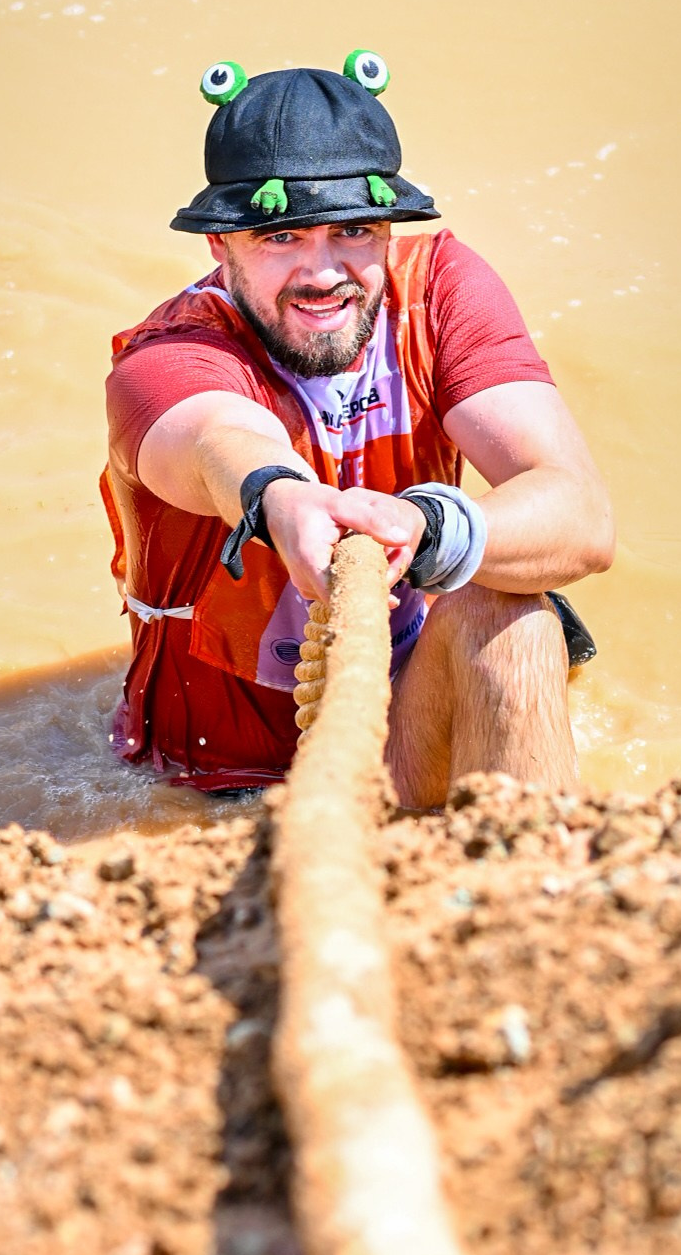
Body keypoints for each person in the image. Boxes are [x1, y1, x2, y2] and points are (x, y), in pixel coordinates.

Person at [100, 52, 614, 808]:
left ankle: (534, 870)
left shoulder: (441, 289)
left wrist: (425, 528)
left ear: (387, 231)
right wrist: (279, 500)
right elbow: (219, 443)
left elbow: (584, 519)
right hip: (227, 781)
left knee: (513, 615)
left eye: (353, 230)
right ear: (219, 244)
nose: (323, 274)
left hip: (406, 725)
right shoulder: (168, 355)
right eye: (280, 237)